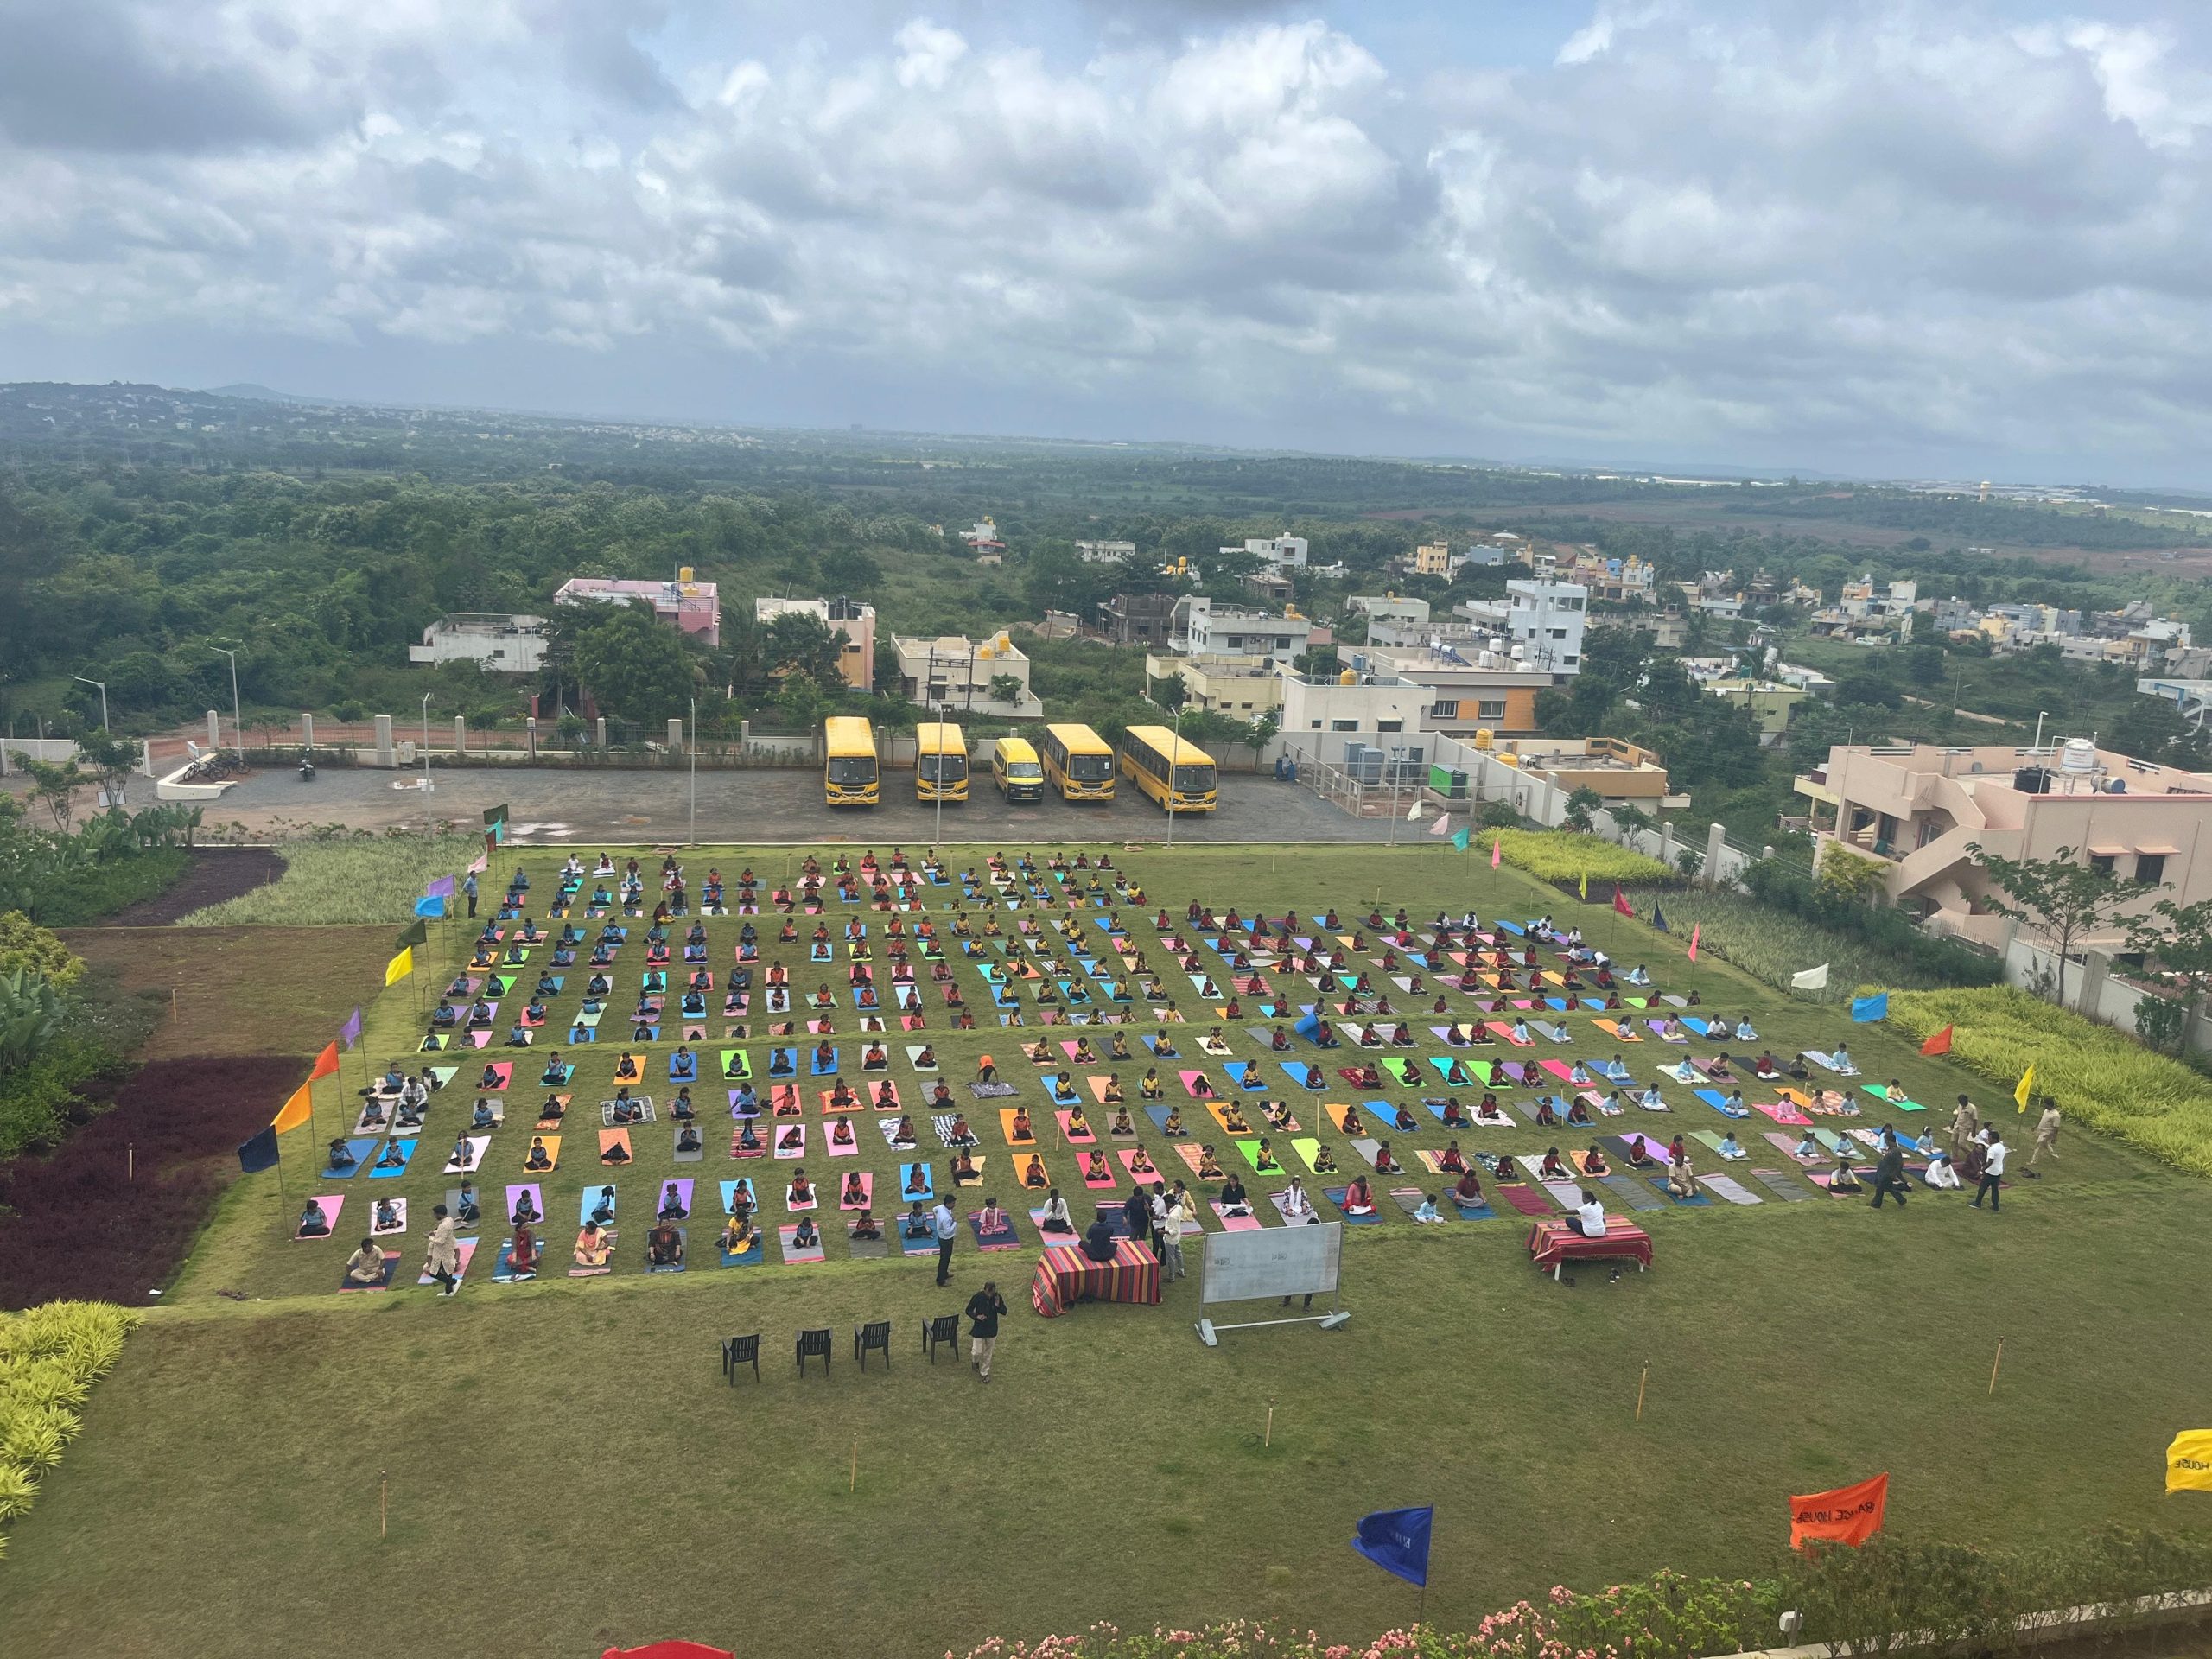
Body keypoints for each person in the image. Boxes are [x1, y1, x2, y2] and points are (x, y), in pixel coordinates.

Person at [423, 1203, 462, 1296]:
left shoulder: (443, 1225)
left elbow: (440, 1241)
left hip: (443, 1252)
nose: (435, 1216)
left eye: (435, 1214)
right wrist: (434, 1232)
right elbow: (444, 1232)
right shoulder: (450, 1220)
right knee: (447, 1271)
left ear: (439, 1214)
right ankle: (449, 1291)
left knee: (434, 1273)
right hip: (448, 1250)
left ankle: (454, 1282)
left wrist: (429, 1237)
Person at [1971, 1128, 2007, 1211]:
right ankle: (1995, 1206)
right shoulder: (2001, 1147)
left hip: (1990, 1172)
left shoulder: (1992, 1149)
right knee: (1995, 1190)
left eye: (1989, 1138)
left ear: (1994, 1139)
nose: (1988, 1140)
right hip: (1998, 1171)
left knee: (1982, 1188)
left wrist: (1981, 1171)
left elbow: (1990, 1162)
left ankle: (1977, 1203)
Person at [2027, 1098, 2061, 1177]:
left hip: (2047, 1133)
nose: (2043, 1105)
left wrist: (2054, 1138)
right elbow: (2041, 1118)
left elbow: (2056, 1128)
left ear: (2049, 1105)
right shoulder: (2046, 1111)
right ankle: (2053, 1154)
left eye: (2044, 1104)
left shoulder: (2056, 1115)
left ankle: (2034, 1161)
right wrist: (2035, 1126)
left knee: (2038, 1145)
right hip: (2042, 1131)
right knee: (2044, 1144)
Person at [932, 1193, 958, 1285]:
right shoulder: (946, 1218)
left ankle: (944, 1274)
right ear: (948, 1203)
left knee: (945, 1258)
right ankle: (941, 1280)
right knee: (944, 1259)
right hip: (946, 1239)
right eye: (953, 1203)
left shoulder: (940, 1207)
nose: (954, 1205)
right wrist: (954, 1223)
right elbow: (947, 1232)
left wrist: (938, 1221)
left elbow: (934, 1209)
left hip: (941, 1237)